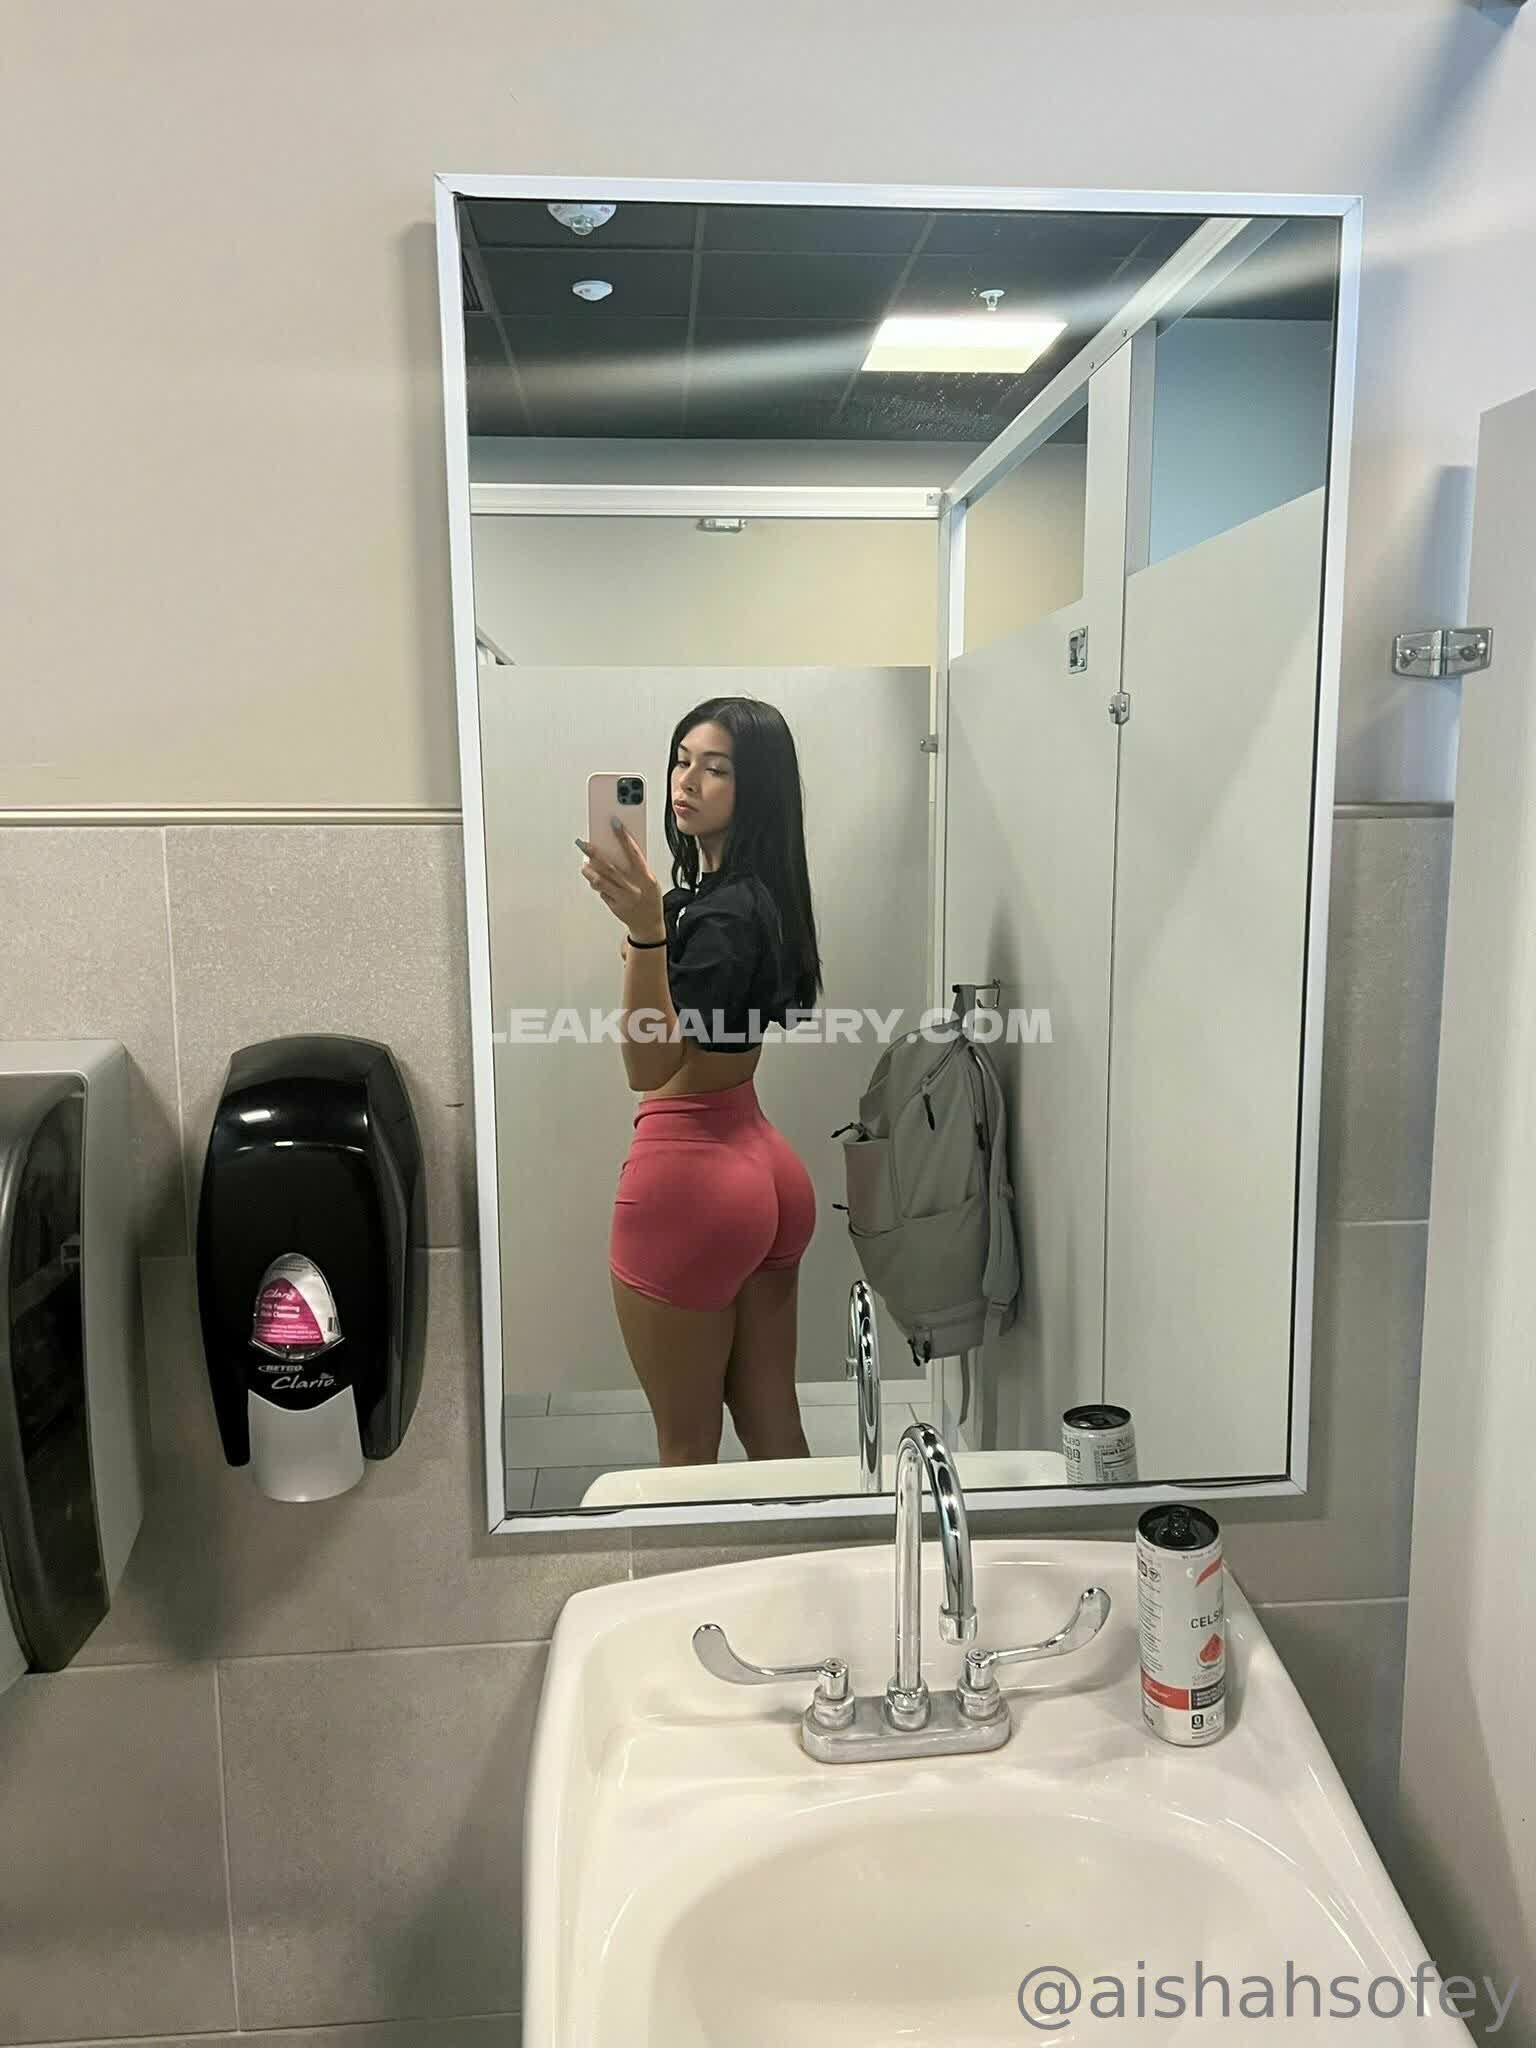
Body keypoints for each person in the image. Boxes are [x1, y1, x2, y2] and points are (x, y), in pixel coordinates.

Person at [576, 696, 821, 1466]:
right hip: (764, 1167)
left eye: (716, 769)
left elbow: (648, 1066)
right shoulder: (752, 898)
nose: (686, 781)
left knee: (685, 1448)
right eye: (681, 761)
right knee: (774, 1425)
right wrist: (655, 929)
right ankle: (811, 1547)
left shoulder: (714, 917)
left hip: (692, 1183)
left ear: (757, 790)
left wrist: (647, 933)